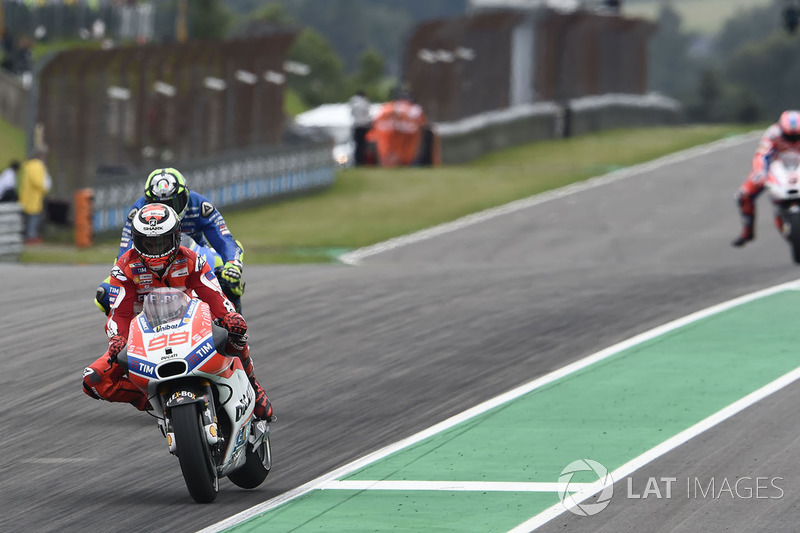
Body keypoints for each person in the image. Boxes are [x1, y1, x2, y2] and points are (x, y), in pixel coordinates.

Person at [82, 203, 273, 421]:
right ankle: (157, 401)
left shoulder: (193, 260)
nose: (155, 249)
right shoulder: (124, 269)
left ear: (175, 237)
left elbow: (215, 296)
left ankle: (253, 385)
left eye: (161, 241)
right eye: (148, 242)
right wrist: (117, 339)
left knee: (236, 329)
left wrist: (229, 316)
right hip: (146, 335)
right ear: (136, 240)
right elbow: (119, 314)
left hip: (195, 325)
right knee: (94, 380)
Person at [97, 167, 245, 313]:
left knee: (228, 278)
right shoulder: (137, 212)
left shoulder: (200, 205)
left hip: (196, 257)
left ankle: (234, 325)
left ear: (186, 195)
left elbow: (224, 239)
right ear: (147, 201)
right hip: (150, 263)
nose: (166, 210)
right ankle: (125, 330)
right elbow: (125, 251)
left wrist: (232, 264)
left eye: (173, 203)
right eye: (158, 203)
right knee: (104, 295)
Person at [733, 110, 800, 247]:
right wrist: (760, 172)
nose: (793, 140)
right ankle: (748, 230)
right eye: (788, 136)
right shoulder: (773, 133)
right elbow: (762, 155)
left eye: (797, 136)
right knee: (744, 195)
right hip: (775, 170)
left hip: (798, 169)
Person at [17, 151, 51, 244]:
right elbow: (38, 181)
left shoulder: (26, 166)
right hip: (34, 197)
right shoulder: (37, 166)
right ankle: (31, 236)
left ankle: (25, 235)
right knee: (34, 218)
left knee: (26, 218)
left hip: (25, 197)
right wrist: (45, 188)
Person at [349, 89, 372, 166]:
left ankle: (357, 161)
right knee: (362, 145)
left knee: (357, 145)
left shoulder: (353, 103)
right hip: (363, 126)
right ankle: (361, 161)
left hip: (356, 126)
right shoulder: (364, 103)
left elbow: (352, 114)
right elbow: (367, 115)